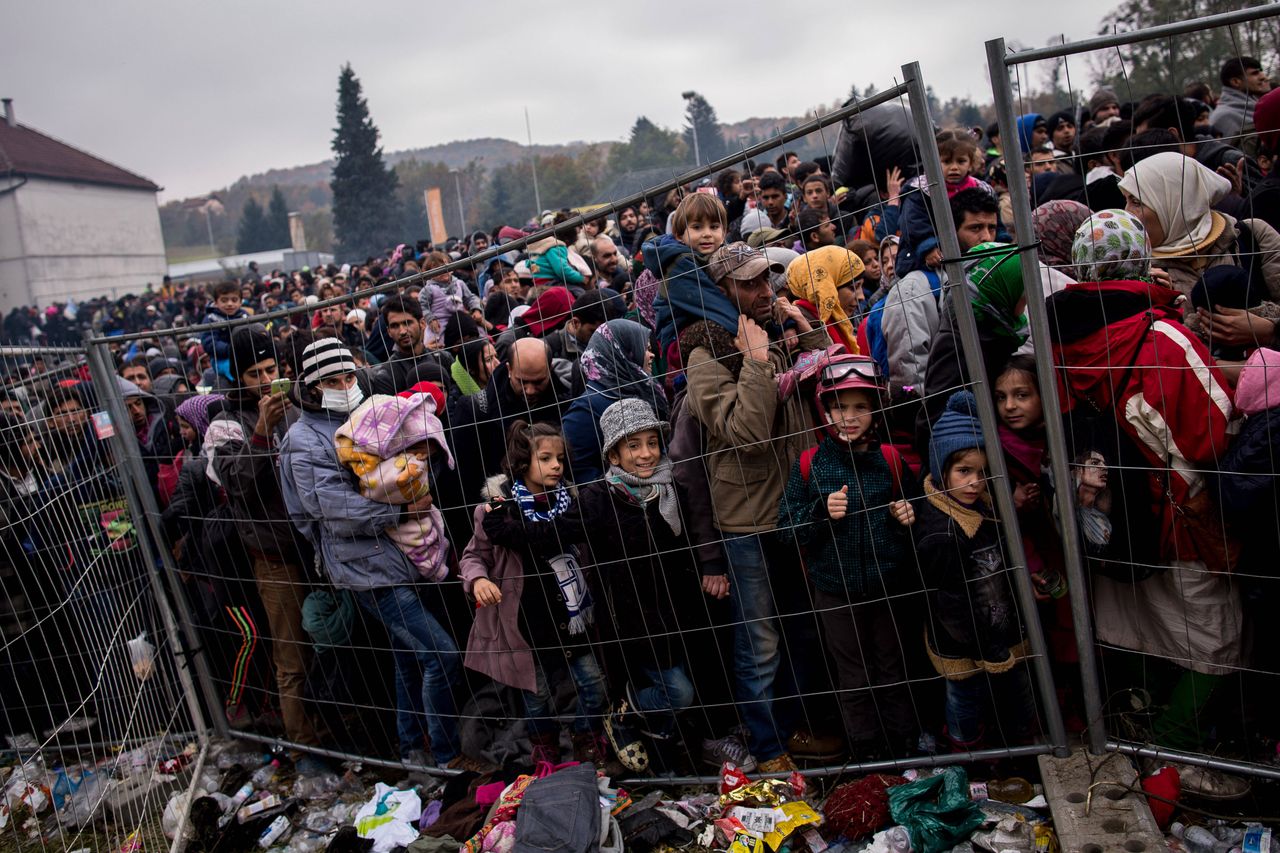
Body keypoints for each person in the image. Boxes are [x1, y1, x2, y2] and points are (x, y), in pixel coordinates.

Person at [1047, 211, 1243, 789]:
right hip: (1177, 517)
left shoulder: (1056, 339)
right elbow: (1211, 427)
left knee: (1131, 624)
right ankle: (1176, 744)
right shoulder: (1159, 335)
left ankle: (1134, 726)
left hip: (1102, 518)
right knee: (1215, 635)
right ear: (1141, 259)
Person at [680, 241, 836, 772]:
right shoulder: (704, 356)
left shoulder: (772, 331)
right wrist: (756, 361)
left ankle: (793, 731)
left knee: (800, 627)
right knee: (759, 640)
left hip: (794, 506)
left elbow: (827, 378)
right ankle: (767, 747)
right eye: (750, 284)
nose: (765, 291)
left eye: (768, 280)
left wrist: (805, 327)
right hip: (746, 520)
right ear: (724, 293)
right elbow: (746, 431)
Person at [279, 338, 470, 769]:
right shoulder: (304, 440)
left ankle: (412, 752)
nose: (345, 386)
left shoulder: (360, 415)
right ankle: (446, 756)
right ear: (311, 388)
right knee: (441, 655)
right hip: (366, 568)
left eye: (349, 377)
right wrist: (401, 507)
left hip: (394, 557)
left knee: (408, 661)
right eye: (332, 380)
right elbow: (331, 509)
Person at [776, 353, 919, 762]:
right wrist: (821, 513)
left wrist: (909, 514)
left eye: (860, 406)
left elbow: (916, 507)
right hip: (834, 594)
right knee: (853, 678)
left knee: (892, 671)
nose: (849, 417)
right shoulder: (811, 464)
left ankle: (904, 753)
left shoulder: (889, 460)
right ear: (826, 409)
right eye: (840, 406)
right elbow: (786, 528)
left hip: (887, 590)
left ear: (875, 410)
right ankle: (867, 757)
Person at [460, 420, 610, 768]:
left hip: (575, 617)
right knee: (536, 693)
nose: (557, 465)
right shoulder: (497, 511)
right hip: (528, 624)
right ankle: (543, 746)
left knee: (594, 683)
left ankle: (585, 735)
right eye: (546, 458)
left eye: (560, 457)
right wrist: (478, 580)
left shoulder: (571, 502)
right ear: (522, 462)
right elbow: (473, 556)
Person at [204, 326, 322, 751]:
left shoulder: (295, 409)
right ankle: (306, 745)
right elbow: (236, 484)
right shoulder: (224, 425)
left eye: (272, 370)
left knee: (332, 644)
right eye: (255, 373)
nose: (266, 380)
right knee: (291, 657)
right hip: (273, 558)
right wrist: (259, 431)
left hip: (314, 547)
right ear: (239, 377)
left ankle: (338, 726)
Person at [578, 398, 704, 773]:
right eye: (634, 445)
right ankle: (622, 711)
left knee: (676, 693)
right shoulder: (600, 498)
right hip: (631, 620)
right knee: (677, 692)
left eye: (652, 442)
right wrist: (498, 514)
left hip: (675, 613)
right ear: (613, 456)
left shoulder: (671, 491)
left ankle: (663, 766)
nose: (647, 454)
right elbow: (554, 529)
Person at [914, 391, 1036, 750]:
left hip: (999, 632)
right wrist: (986, 645)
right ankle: (967, 758)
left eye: (983, 472)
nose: (975, 482)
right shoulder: (941, 531)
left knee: (1014, 698)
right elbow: (950, 602)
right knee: (964, 701)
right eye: (964, 471)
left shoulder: (986, 509)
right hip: (963, 642)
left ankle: (1019, 755)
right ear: (941, 470)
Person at [882, 188, 998, 395]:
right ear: (951, 231)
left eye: (992, 228)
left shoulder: (1002, 276)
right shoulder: (914, 288)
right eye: (975, 228)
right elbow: (910, 370)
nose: (986, 238)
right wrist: (931, 412)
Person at [333, 390, 454, 581]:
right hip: (372, 560)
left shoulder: (373, 410)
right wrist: (403, 512)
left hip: (388, 552)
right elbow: (377, 486)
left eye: (349, 378)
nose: (345, 387)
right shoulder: (362, 446)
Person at [448, 337, 575, 502]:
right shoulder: (475, 410)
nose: (529, 390)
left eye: (538, 382)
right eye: (521, 381)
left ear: (550, 370)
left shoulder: (565, 404)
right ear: (509, 369)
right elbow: (461, 480)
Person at [562, 319, 665, 486]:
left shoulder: (641, 389)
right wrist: (616, 491)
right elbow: (578, 467)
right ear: (622, 352)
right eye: (644, 349)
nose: (651, 355)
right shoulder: (588, 406)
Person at [648, 193, 735, 356]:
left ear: (724, 233)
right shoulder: (679, 264)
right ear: (679, 235)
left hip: (706, 321)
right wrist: (750, 328)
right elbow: (716, 307)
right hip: (677, 338)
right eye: (697, 227)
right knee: (720, 334)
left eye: (714, 226)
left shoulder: (724, 252)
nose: (707, 233)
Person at [784, 246, 865, 352]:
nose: (861, 297)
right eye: (853, 287)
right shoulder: (795, 325)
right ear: (826, 288)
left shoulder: (838, 319)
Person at [371, 295, 453, 396]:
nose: (402, 331)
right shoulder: (386, 375)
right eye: (395, 326)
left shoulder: (443, 358)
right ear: (389, 332)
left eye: (407, 323)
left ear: (422, 324)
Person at [1211, 56, 1272, 155]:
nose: (1263, 77)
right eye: (1255, 73)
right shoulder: (1224, 117)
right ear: (1235, 82)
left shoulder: (1257, 107)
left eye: (1261, 71)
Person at [201, 281, 250, 384]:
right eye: (224, 300)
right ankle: (239, 386)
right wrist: (230, 349)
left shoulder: (245, 316)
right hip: (222, 358)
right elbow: (209, 342)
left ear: (241, 302)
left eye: (234, 300)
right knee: (231, 368)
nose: (229, 304)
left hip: (245, 354)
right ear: (216, 302)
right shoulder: (211, 319)